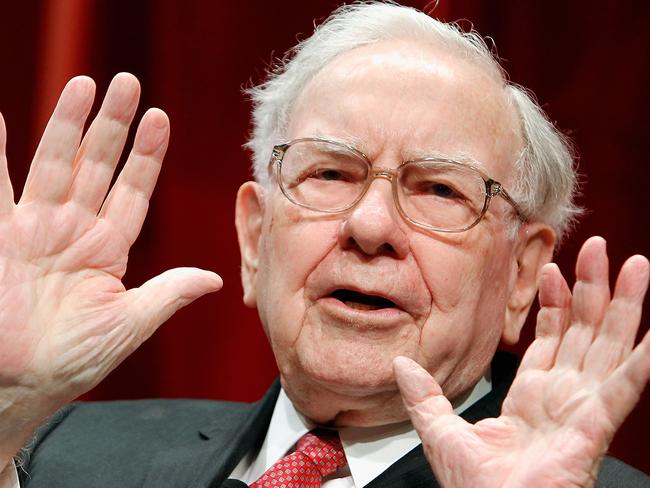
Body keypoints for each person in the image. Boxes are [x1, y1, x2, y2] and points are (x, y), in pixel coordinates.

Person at [1, 2, 648, 487]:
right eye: (330, 173)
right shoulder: (51, 452)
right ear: (255, 239)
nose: (370, 227)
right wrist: (8, 402)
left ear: (521, 274)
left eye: (440, 191)